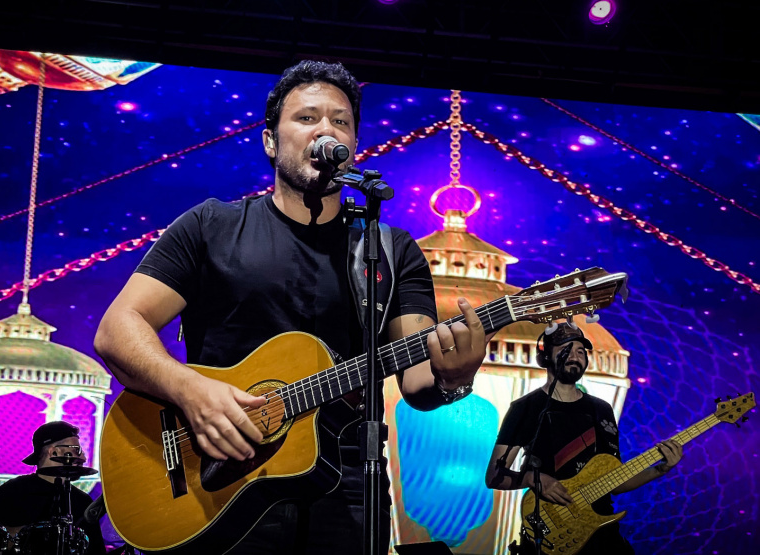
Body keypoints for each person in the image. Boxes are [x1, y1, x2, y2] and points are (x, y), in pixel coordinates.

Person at [93, 60, 490, 554]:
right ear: (270, 141)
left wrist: (456, 379)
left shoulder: (390, 250)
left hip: (346, 487)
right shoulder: (210, 226)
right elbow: (117, 329)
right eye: (307, 118)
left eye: (340, 121)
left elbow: (417, 385)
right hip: (215, 473)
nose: (326, 128)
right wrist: (191, 391)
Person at [485, 322, 683, 555]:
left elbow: (614, 481)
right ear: (545, 357)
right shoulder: (525, 408)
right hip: (552, 535)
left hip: (601, 533)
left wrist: (661, 469)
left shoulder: (602, 410)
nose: (576, 357)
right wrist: (531, 478)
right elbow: (494, 477)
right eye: (566, 350)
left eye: (581, 351)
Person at [0, 421, 107, 554]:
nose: (83, 457)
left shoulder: (82, 501)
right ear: (54, 452)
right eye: (76, 450)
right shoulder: (11, 492)